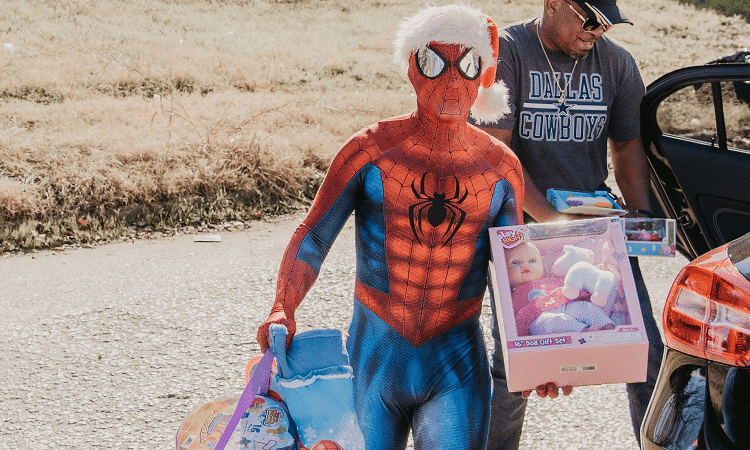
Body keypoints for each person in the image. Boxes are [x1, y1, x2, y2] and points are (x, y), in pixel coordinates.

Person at [254, 4, 561, 449]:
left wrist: (544, 355)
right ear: (412, 69)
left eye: (468, 63)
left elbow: (519, 272)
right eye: (434, 62)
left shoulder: (500, 168)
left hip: (456, 361)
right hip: (373, 356)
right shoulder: (370, 150)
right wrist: (283, 305)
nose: (452, 79)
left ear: (483, 75)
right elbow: (315, 234)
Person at [472, 0, 665, 447]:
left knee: (644, 353)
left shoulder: (617, 63)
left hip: (597, 231)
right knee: (515, 364)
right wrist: (554, 224)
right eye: (591, 19)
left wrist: (639, 220)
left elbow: (628, 146)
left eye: (607, 23)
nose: (599, 31)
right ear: (554, 4)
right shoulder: (509, 52)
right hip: (519, 232)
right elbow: (496, 155)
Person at [505, 241, 615, 336]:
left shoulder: (551, 280)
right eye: (515, 262)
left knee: (587, 308)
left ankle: (609, 329)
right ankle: (584, 333)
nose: (525, 265)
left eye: (532, 261)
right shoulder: (514, 293)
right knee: (553, 321)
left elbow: (573, 284)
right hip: (537, 320)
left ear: (543, 269)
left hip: (563, 307)